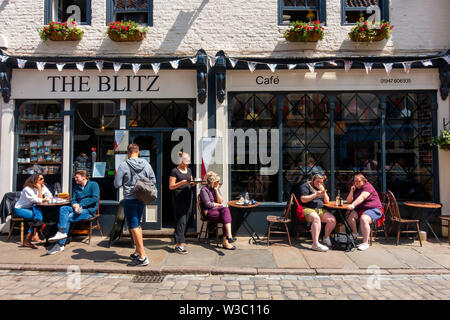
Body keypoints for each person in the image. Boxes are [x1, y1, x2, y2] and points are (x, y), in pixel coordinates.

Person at [114, 143, 156, 266]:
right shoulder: (146, 164)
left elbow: (117, 183)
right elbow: (153, 180)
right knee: (138, 225)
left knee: (133, 226)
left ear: (128, 152)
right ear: (138, 152)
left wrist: (128, 183)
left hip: (130, 199)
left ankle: (143, 257)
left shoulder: (123, 165)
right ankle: (137, 252)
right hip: (142, 198)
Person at [47, 170, 100, 255]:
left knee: (67, 218)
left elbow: (94, 199)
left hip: (89, 210)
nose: (75, 179)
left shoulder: (94, 185)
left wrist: (79, 205)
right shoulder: (76, 187)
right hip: (77, 208)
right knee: (64, 208)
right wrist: (74, 204)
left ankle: (60, 244)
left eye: (77, 177)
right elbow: (73, 199)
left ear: (83, 177)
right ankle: (61, 232)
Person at [296, 174, 336, 252]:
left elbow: (327, 201)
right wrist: (315, 195)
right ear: (313, 180)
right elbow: (303, 199)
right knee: (316, 218)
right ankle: (315, 244)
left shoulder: (321, 187)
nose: (319, 184)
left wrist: (324, 191)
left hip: (319, 209)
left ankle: (325, 237)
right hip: (307, 208)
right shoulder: (306, 186)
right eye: (318, 182)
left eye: (321, 182)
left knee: (332, 220)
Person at [169, 152, 198, 254]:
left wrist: (194, 183)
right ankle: (179, 245)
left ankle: (180, 240)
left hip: (188, 196)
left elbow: (191, 182)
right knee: (181, 219)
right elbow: (171, 186)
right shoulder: (174, 171)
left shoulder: (189, 170)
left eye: (189, 161)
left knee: (187, 219)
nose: (188, 163)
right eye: (186, 161)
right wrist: (181, 183)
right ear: (181, 161)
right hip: (178, 197)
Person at [346, 173, 383, 251]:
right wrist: (352, 191)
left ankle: (365, 243)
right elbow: (349, 200)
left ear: (364, 181)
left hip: (374, 209)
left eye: (358, 181)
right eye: (354, 181)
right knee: (350, 215)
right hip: (362, 209)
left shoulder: (367, 187)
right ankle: (355, 233)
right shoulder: (356, 188)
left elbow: (362, 197)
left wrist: (353, 205)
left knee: (364, 218)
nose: (356, 183)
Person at [199, 171, 236, 250]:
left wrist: (216, 190)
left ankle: (229, 237)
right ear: (212, 182)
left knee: (226, 210)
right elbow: (208, 205)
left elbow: (221, 201)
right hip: (208, 211)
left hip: (217, 210)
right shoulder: (203, 190)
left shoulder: (216, 188)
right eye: (217, 182)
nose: (218, 183)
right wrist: (218, 205)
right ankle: (225, 242)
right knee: (226, 217)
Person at [14, 174, 52, 249]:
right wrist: (40, 190)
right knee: (38, 217)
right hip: (20, 209)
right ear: (35, 180)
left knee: (39, 213)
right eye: (40, 179)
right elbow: (38, 200)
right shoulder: (27, 189)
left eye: (43, 178)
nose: (43, 180)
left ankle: (31, 237)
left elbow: (49, 195)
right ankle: (33, 236)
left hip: (32, 208)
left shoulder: (43, 186)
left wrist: (43, 193)